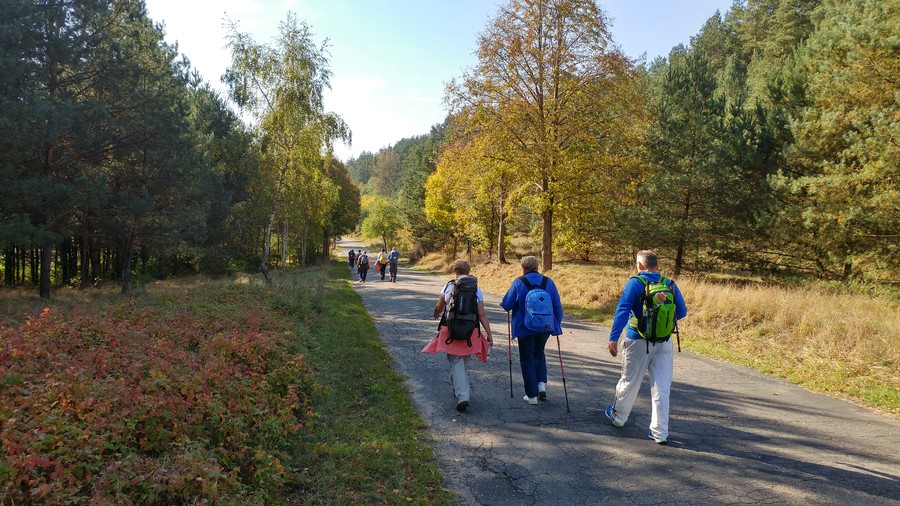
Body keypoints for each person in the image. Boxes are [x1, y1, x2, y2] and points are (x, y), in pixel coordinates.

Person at [604, 250, 687, 444]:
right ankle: (660, 433)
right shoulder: (670, 284)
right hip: (664, 342)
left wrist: (613, 338)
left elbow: (623, 310)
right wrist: (661, 321)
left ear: (640, 265)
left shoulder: (635, 283)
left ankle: (619, 417)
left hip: (637, 340)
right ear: (657, 265)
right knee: (662, 387)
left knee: (630, 381)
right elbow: (682, 312)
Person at [422, 259, 493, 413]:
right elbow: (481, 313)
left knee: (455, 361)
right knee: (463, 362)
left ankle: (463, 396)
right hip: (470, 331)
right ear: (468, 271)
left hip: (452, 330)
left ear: (455, 271)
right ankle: (459, 388)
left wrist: (436, 312)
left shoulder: (449, 286)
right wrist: (489, 333)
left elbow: (439, 306)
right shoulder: (476, 289)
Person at [500, 256, 563, 405]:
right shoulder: (548, 282)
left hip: (525, 328)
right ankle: (541, 386)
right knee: (539, 353)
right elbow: (557, 305)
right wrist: (555, 325)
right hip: (545, 327)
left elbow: (507, 304)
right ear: (537, 267)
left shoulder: (518, 282)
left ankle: (532, 395)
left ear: (523, 268)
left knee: (527, 358)